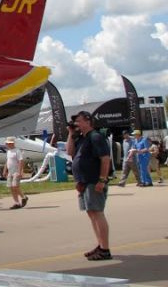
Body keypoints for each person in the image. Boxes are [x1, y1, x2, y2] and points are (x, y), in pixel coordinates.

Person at [67, 111, 112, 261]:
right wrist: (71, 134)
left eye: (78, 121)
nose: (76, 124)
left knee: (97, 213)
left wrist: (102, 180)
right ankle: (100, 245)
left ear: (88, 121)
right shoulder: (80, 138)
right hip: (84, 182)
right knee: (91, 214)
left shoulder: (96, 137)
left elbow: (105, 159)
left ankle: (105, 249)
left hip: (94, 181)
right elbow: (69, 152)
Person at [3, 136, 28, 209]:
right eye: (8, 143)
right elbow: (7, 161)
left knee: (15, 186)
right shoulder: (8, 151)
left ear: (13, 143)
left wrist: (20, 172)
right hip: (10, 172)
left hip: (16, 171)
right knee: (11, 187)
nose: (9, 145)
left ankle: (24, 197)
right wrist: (5, 170)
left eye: (10, 143)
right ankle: (17, 203)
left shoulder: (17, 151)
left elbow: (21, 161)